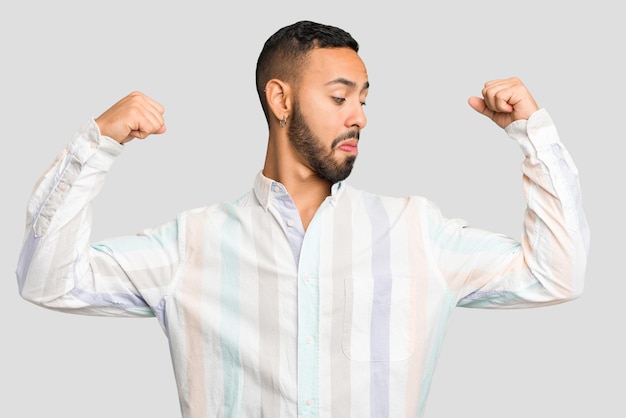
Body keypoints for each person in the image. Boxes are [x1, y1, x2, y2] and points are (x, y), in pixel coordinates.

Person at [16, 20, 589, 418]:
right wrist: (96, 146)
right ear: (280, 100)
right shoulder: (192, 244)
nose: (360, 116)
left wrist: (532, 134)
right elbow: (49, 281)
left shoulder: (417, 232)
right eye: (340, 98)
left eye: (365, 98)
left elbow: (556, 275)